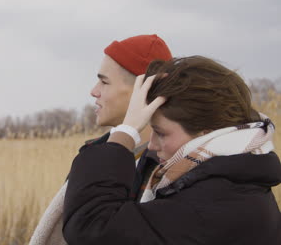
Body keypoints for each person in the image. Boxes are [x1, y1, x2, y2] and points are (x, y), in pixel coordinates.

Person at [63, 56, 281, 244]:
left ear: (206, 132)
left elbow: (92, 227)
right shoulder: (233, 182)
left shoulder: (213, 207)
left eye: (162, 133)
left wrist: (125, 132)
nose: (152, 145)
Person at [29, 34, 173, 245]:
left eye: (104, 82)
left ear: (144, 91)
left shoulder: (168, 166)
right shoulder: (93, 154)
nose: (94, 91)